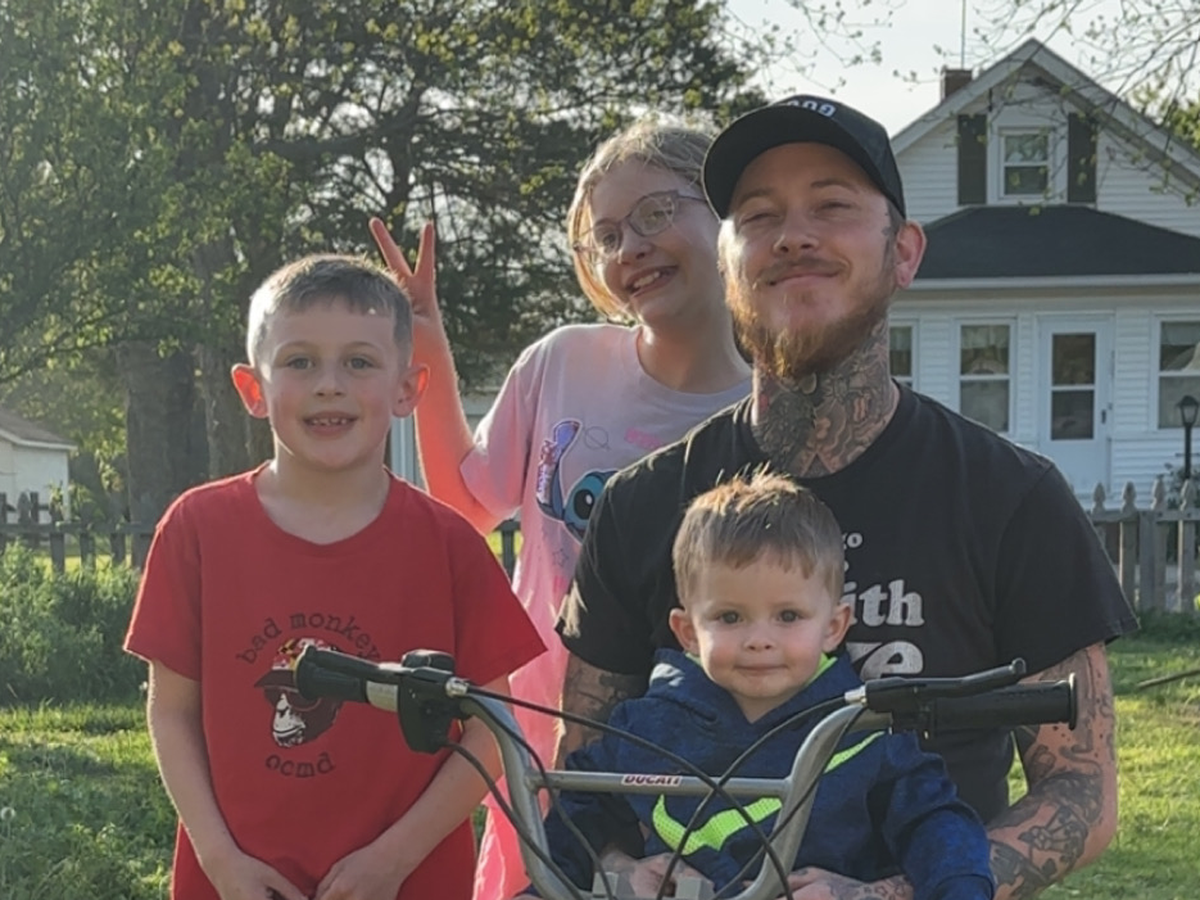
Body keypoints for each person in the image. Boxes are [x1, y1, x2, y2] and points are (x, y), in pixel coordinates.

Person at [556, 95, 1138, 900]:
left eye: (831, 206)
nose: (793, 235)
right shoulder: (640, 506)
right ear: (728, 263)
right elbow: (583, 774)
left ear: (904, 252)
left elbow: (1081, 792)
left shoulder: (1013, 500)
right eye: (759, 216)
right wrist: (621, 870)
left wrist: (889, 896)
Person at [369, 119, 751, 900]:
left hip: (704, 758)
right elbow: (469, 506)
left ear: (728, 213)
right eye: (606, 236)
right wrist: (429, 348)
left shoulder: (771, 403)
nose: (629, 248)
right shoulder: (563, 362)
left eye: (654, 214)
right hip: (537, 738)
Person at [124, 255, 545, 900]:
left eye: (359, 362)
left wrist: (394, 860)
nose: (329, 385)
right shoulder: (196, 529)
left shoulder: (451, 545)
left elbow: (492, 727)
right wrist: (220, 860)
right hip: (238, 883)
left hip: (408, 881)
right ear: (253, 389)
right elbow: (172, 711)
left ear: (408, 388)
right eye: (299, 361)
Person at [517, 473, 993, 900]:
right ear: (687, 631)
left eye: (788, 616)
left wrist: (957, 889)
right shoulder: (647, 727)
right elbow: (579, 807)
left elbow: (935, 822)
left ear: (834, 626)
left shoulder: (866, 734)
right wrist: (565, 881)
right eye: (730, 617)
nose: (759, 640)